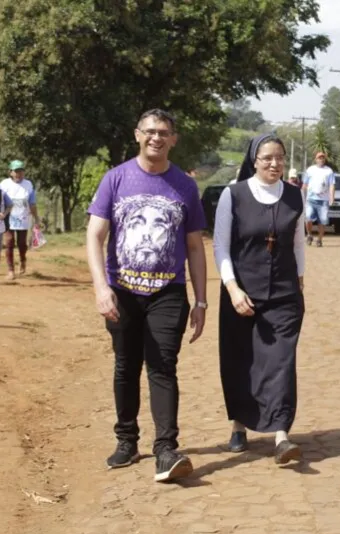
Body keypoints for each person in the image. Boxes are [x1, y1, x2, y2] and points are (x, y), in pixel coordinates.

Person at [86, 109, 208, 483]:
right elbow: (94, 235)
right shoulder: (116, 178)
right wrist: (101, 288)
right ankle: (126, 440)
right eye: (150, 131)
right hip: (121, 291)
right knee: (126, 365)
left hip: (167, 292)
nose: (156, 137)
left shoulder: (184, 186)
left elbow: (194, 246)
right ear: (138, 135)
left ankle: (166, 449)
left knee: (162, 365)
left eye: (164, 132)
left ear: (174, 139)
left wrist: (201, 300)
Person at [214, 133, 306, 465]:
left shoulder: (295, 196)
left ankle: (281, 434)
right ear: (254, 159)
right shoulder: (233, 195)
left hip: (284, 294)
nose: (274, 163)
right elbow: (220, 246)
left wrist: (300, 281)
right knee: (242, 361)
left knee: (281, 362)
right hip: (242, 292)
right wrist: (232, 288)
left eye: (279, 157)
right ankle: (239, 425)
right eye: (267, 157)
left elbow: (298, 243)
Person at [0, 160, 41, 280]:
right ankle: (10, 270)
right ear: (10, 172)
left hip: (23, 218)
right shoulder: (4, 184)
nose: (19, 174)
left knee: (22, 243)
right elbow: (0, 200)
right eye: (16, 171)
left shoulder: (28, 185)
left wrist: (36, 218)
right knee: (9, 241)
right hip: (8, 218)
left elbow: (32, 203)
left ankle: (23, 259)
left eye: (21, 171)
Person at [302, 152, 335, 247]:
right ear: (315, 159)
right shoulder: (310, 170)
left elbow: (332, 185)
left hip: (323, 200)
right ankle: (309, 234)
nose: (321, 159)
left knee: (323, 220)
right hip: (311, 199)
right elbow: (305, 185)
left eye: (323, 158)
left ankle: (319, 239)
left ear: (324, 160)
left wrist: (332, 198)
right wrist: (302, 196)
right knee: (308, 218)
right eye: (319, 158)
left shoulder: (329, 171)